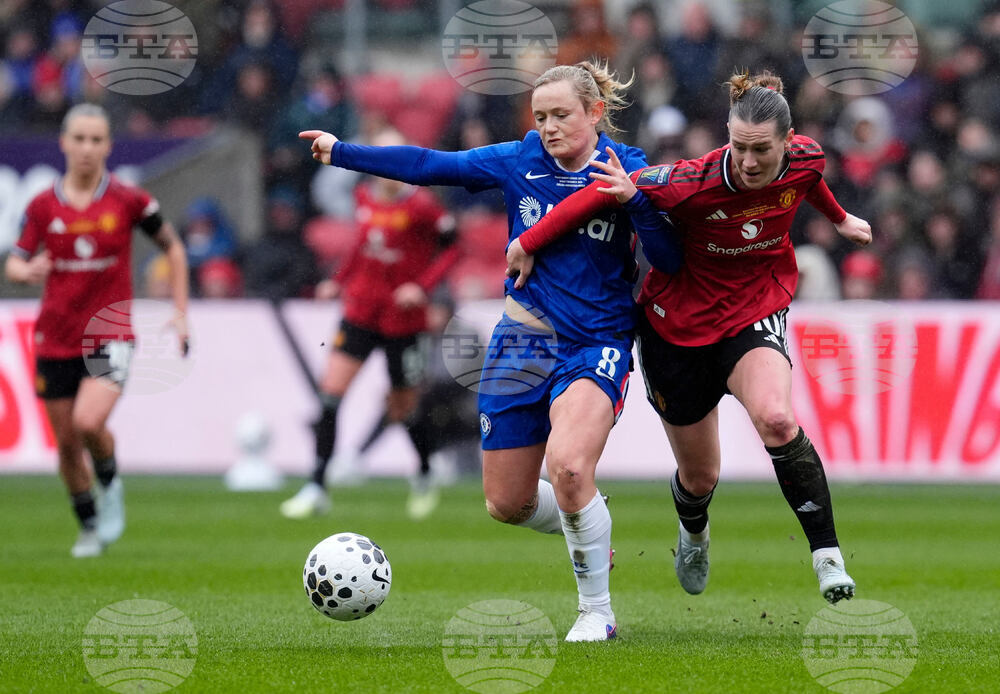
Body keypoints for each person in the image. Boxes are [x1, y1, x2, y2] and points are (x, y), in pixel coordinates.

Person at [299, 61, 680, 641]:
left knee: (571, 466)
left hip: (595, 343)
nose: (549, 127)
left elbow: (670, 257)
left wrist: (636, 204)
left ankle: (596, 611)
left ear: (595, 113)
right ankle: (588, 523)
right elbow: (431, 166)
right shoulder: (520, 160)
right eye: (541, 116)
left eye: (562, 115)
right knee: (507, 503)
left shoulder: (628, 170)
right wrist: (343, 151)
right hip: (520, 342)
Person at [509, 71, 872, 604]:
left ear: (787, 143)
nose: (749, 162)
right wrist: (530, 240)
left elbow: (808, 180)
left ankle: (828, 558)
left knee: (776, 418)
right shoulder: (686, 179)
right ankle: (694, 533)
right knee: (700, 476)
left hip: (753, 310)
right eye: (740, 148)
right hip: (674, 329)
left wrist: (839, 218)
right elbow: (596, 196)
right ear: (728, 135)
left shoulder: (806, 157)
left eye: (762, 151)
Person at [5, 103, 189, 558]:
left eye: (96, 140)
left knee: (89, 422)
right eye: (79, 139)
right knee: (66, 443)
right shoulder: (43, 205)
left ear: (108, 145)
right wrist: (26, 272)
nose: (87, 148)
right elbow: (14, 259)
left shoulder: (128, 200)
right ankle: (88, 524)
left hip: (110, 333)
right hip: (54, 335)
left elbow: (174, 248)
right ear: (64, 143)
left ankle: (111, 483)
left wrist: (181, 311)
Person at [281, 128, 461, 522]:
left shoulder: (424, 207)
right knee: (330, 395)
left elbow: (452, 248)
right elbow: (360, 248)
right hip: (361, 311)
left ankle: (426, 472)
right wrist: (338, 280)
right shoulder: (362, 197)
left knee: (402, 407)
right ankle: (316, 485)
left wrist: (423, 286)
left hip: (403, 319)